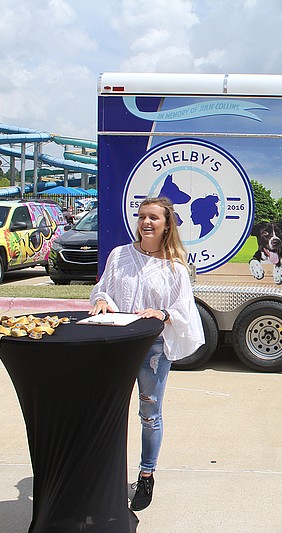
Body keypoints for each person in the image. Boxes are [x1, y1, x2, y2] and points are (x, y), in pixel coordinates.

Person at [89, 197, 204, 511]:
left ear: (167, 224)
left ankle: (146, 474)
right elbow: (103, 289)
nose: (146, 222)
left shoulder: (174, 267)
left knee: (149, 416)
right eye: (142, 217)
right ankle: (106, 474)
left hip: (152, 349)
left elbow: (183, 311)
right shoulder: (119, 256)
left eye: (154, 217)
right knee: (108, 412)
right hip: (115, 345)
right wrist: (100, 300)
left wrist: (161, 313)